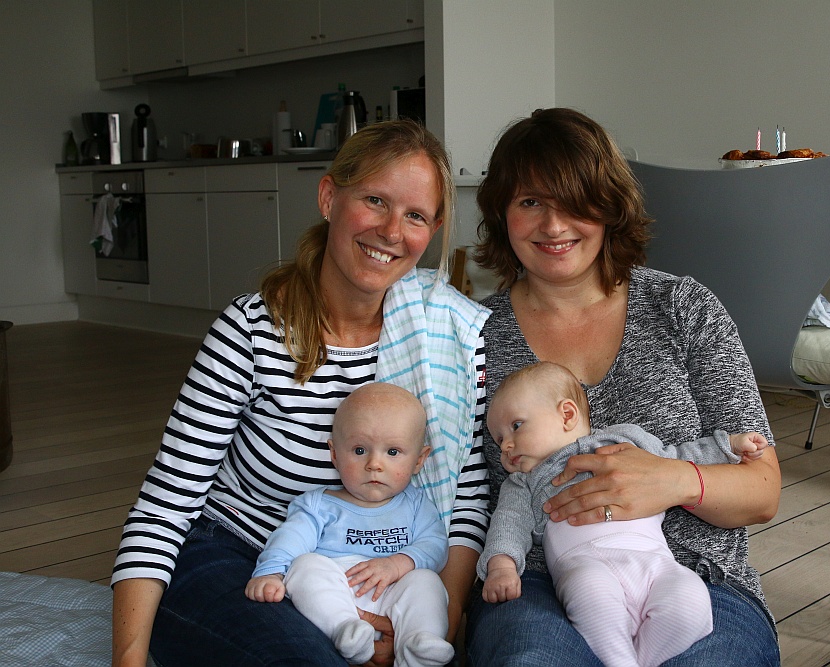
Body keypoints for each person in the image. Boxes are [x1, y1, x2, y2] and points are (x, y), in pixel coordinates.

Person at [110, 119, 492, 667]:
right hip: (239, 556)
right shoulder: (251, 331)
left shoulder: (447, 339)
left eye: (415, 215)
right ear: (329, 197)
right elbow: (165, 504)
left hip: (381, 572)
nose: (391, 231)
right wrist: (127, 659)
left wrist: (436, 627)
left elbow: (467, 502)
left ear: (432, 230)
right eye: (375, 201)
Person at [466, 108, 782, 667]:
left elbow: (762, 491)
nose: (553, 226)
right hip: (535, 585)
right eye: (530, 201)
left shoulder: (683, 308)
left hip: (693, 576)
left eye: (574, 200)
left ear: (609, 206)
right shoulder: (473, 335)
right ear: (501, 214)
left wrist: (671, 479)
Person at [478, 361, 767, 666]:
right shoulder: (524, 482)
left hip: (655, 563)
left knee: (690, 600)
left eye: (516, 426)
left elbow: (678, 458)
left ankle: (637, 659)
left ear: (567, 415)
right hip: (585, 566)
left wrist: (727, 446)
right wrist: (502, 566)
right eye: (499, 439)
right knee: (592, 597)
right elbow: (508, 523)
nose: (506, 446)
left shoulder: (624, 440)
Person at [246, 382, 454, 667]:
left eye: (393, 452)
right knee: (305, 566)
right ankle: (344, 629)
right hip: (335, 596)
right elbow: (289, 539)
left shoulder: (416, 504)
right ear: (334, 453)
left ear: (419, 460)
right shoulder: (319, 504)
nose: (374, 464)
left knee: (427, 581)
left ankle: (418, 641)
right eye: (359, 450)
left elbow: (436, 545)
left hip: (393, 593)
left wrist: (398, 564)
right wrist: (270, 573)